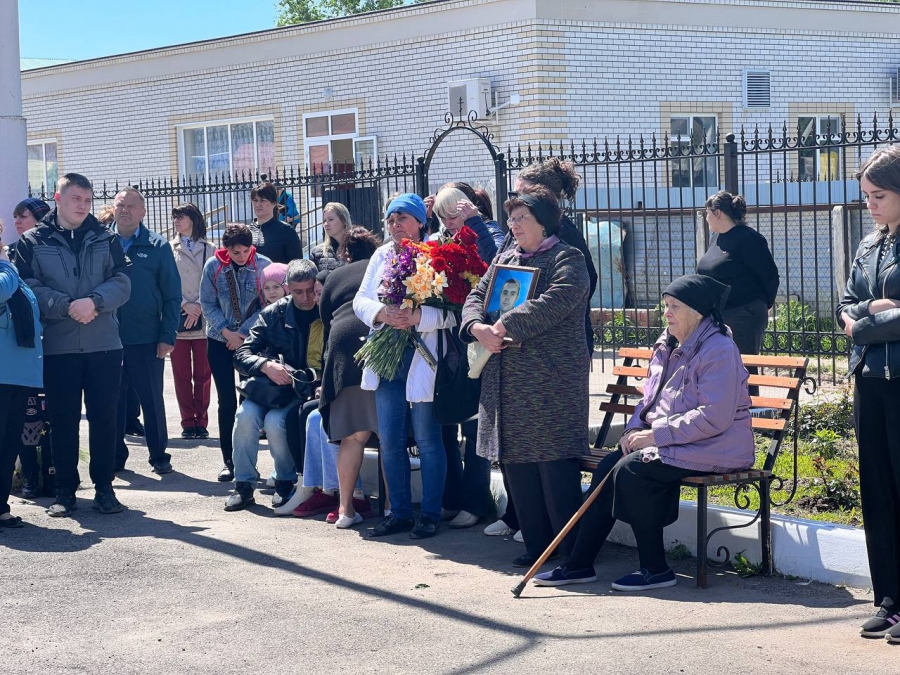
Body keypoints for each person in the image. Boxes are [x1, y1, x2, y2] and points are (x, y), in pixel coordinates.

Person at [533, 274, 754, 591]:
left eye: (674, 306)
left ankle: (655, 569)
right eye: (666, 305)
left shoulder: (718, 349)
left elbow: (714, 418)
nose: (667, 313)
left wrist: (654, 436)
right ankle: (577, 564)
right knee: (612, 464)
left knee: (634, 470)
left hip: (718, 445)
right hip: (683, 442)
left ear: (697, 311)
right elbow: (650, 399)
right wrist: (634, 430)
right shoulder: (668, 343)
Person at [461, 188, 589, 567]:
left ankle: (570, 553)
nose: (514, 226)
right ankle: (536, 546)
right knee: (516, 463)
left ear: (545, 221)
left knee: (553, 466)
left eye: (522, 218)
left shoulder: (568, 257)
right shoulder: (505, 257)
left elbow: (558, 299)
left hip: (550, 383)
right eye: (512, 219)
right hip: (506, 381)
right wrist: (475, 327)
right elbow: (476, 295)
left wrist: (501, 324)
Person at [13, 173, 131, 517]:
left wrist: (94, 302)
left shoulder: (105, 239)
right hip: (59, 347)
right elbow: (28, 286)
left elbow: (122, 282)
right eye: (76, 198)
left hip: (105, 345)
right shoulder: (32, 241)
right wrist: (66, 306)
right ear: (58, 197)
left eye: (87, 200)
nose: (82, 205)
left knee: (105, 419)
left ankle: (105, 489)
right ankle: (65, 492)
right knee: (63, 421)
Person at [354, 194, 455, 540]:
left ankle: (429, 514)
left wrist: (418, 316)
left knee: (428, 438)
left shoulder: (436, 254)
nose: (396, 226)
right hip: (388, 360)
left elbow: (453, 313)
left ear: (420, 222)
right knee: (391, 440)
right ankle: (398, 512)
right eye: (391, 220)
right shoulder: (382, 255)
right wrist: (383, 314)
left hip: (422, 357)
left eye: (403, 219)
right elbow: (361, 300)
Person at [836, 145, 900, 642]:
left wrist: (864, 322)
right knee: (877, 491)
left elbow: (866, 318)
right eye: (866, 197)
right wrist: (865, 314)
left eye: (879, 196)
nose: (871, 205)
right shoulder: (869, 244)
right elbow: (847, 302)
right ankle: (890, 600)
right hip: (870, 382)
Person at [295, 226, 382, 527]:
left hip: (343, 354)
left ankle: (345, 510)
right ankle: (392, 509)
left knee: (353, 437)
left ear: (346, 253)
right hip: (377, 347)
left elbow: (325, 314)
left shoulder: (334, 276)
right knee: (388, 436)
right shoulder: (380, 266)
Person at [430, 186, 499, 529]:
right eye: (441, 215)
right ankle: (451, 497)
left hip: (478, 342)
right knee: (444, 421)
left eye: (452, 213)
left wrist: (476, 224)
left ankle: (475, 501)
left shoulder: (488, 230)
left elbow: (500, 264)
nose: (447, 221)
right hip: (446, 345)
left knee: (474, 426)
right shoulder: (440, 238)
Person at [227, 259, 320, 511]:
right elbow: (241, 354)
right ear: (288, 287)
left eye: (310, 290)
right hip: (269, 389)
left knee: (276, 423)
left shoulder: (326, 311)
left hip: (303, 392)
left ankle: (285, 482)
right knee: (244, 417)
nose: (305, 297)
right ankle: (243, 485)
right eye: (298, 291)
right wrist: (265, 366)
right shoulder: (272, 314)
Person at [112, 188, 182, 475]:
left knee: (151, 399)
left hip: (146, 338)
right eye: (120, 205)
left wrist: (167, 336)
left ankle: (158, 455)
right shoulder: (101, 242)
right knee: (112, 401)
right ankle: (115, 456)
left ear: (143, 212)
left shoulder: (158, 245)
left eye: (132, 206)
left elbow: (172, 295)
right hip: (107, 338)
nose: (125, 210)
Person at [200, 223, 271, 482]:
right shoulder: (213, 266)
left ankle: (247, 462)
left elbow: (268, 304)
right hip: (219, 340)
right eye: (235, 252)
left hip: (251, 342)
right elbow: (207, 302)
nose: (240, 256)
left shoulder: (263, 265)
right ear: (226, 249)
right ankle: (228, 461)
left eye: (244, 251)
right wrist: (226, 332)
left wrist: (243, 335)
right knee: (226, 401)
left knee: (249, 401)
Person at [512, 158, 598, 353]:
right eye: (514, 194)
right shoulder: (517, 231)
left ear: (545, 196)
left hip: (561, 346)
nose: (515, 201)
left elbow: (587, 281)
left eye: (523, 194)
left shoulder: (564, 233)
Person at [697, 190, 779, 359]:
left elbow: (770, 276)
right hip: (717, 315)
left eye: (707, 213)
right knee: (720, 369)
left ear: (717, 212)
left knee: (742, 368)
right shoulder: (716, 238)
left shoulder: (749, 238)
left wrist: (766, 303)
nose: (706, 218)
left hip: (744, 314)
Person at [0, 223, 43, 527]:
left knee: (9, 442)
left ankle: (1, 506)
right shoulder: (7, 271)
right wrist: (6, 264)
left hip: (17, 374)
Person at [10, 198, 53, 497]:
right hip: (23, 349)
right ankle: (29, 476)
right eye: (15, 217)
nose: (17, 221)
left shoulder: (53, 249)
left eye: (23, 216)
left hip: (53, 343)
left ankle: (53, 475)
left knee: (49, 415)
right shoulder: (12, 255)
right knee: (27, 415)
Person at [169, 203, 214, 440]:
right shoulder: (168, 248)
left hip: (204, 322)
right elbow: (165, 283)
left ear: (194, 219)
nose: (177, 221)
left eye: (181, 216)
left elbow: (213, 282)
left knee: (204, 376)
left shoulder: (211, 249)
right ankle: (188, 422)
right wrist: (185, 305)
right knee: (181, 375)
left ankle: (202, 421)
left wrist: (197, 306)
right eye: (175, 217)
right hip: (178, 319)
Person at [427, 183, 504, 262]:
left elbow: (497, 260)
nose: (447, 224)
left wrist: (474, 222)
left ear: (469, 208)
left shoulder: (491, 229)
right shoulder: (445, 235)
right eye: (442, 218)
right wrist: (423, 222)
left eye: (453, 217)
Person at [249, 181, 302, 263]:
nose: (258, 204)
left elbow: (297, 266)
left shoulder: (287, 231)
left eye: (263, 200)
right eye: (255, 200)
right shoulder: (247, 232)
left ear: (274, 203)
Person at [310, 202, 351, 272]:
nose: (326, 224)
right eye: (324, 220)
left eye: (330, 219)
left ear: (343, 220)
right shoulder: (316, 252)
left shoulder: (357, 249)